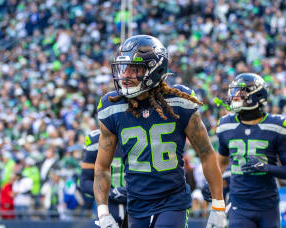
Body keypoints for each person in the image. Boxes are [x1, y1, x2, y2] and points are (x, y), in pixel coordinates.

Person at [93, 35, 225, 228]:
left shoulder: (179, 102)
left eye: (134, 69)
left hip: (172, 200)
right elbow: (102, 166)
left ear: (155, 70)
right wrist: (103, 212)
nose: (125, 75)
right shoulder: (112, 106)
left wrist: (218, 206)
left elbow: (206, 154)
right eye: (124, 67)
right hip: (136, 203)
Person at [215, 73, 286, 228]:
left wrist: (265, 167)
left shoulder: (275, 126)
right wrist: (213, 184)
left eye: (242, 93)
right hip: (239, 203)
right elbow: (220, 163)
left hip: (268, 205)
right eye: (234, 92)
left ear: (257, 95)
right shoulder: (226, 125)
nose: (235, 97)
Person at [80, 129, 127, 227]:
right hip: (108, 204)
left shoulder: (133, 133)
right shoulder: (95, 140)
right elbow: (84, 182)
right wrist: (109, 192)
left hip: (137, 200)